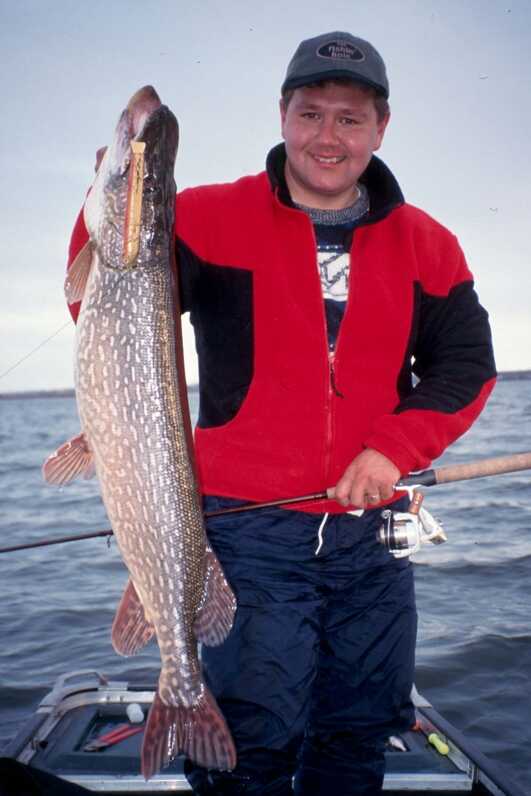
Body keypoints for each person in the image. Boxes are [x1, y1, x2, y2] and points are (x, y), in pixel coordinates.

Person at [67, 31, 496, 796]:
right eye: (309, 114)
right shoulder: (204, 217)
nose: (327, 137)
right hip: (244, 529)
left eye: (348, 118)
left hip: (372, 540)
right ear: (281, 115)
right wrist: (110, 195)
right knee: (254, 741)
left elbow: (465, 369)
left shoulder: (426, 244)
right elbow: (104, 306)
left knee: (358, 733)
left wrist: (393, 450)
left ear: (380, 128)